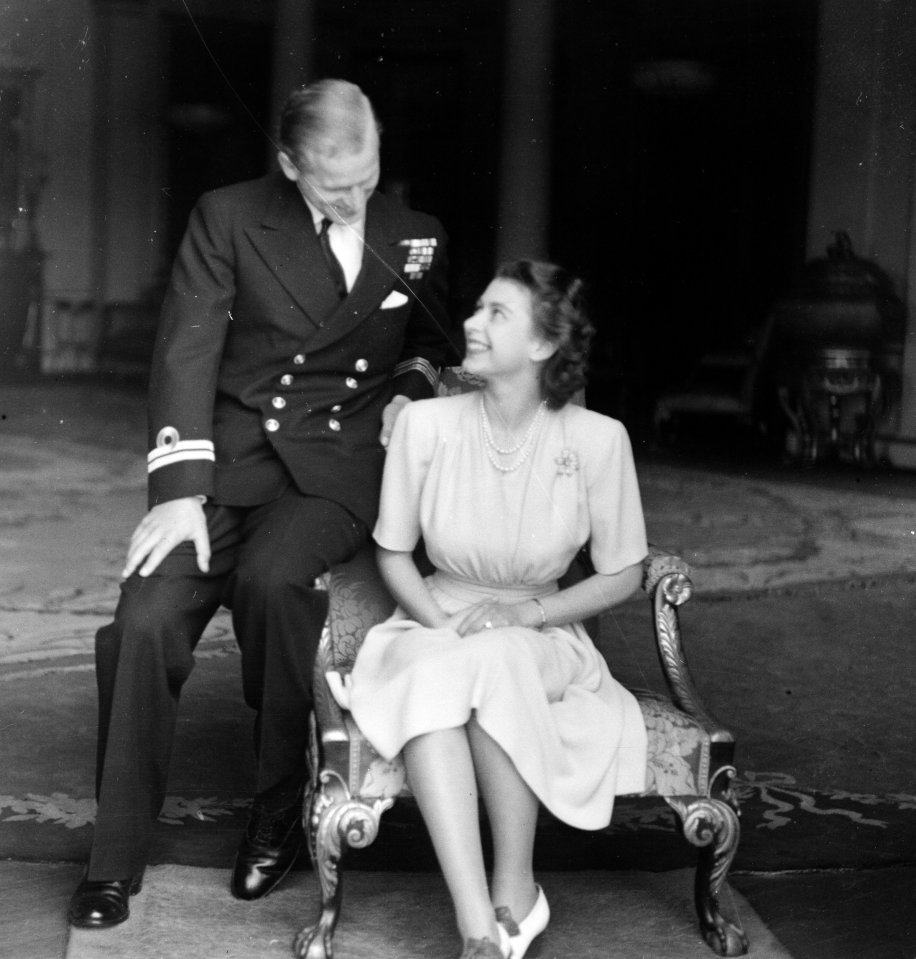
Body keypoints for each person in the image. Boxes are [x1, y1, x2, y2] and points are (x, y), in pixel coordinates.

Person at [68, 79, 454, 929]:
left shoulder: (414, 234)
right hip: (227, 463)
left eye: (366, 178)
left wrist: (410, 387)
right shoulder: (230, 214)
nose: (353, 201)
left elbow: (430, 340)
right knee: (143, 615)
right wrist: (176, 494)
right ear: (288, 164)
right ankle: (113, 857)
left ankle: (279, 801)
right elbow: (187, 347)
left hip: (333, 475)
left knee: (277, 582)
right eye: (330, 186)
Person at [329, 259, 649, 959]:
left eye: (496, 314)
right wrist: (443, 627)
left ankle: (517, 885)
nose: (470, 323)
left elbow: (625, 571)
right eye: (476, 308)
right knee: (455, 667)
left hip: (542, 632)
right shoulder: (426, 425)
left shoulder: (600, 440)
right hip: (435, 615)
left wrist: (530, 616)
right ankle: (479, 926)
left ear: (542, 345)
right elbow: (393, 554)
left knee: (496, 655)